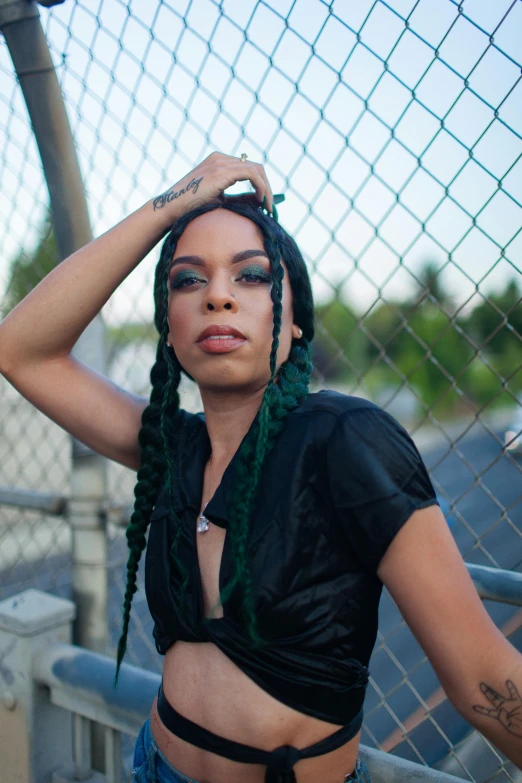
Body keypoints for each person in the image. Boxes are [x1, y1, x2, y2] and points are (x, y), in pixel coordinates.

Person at [1, 152, 521, 783]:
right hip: (154, 766)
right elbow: (21, 349)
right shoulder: (173, 448)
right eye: (188, 281)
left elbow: (482, 676)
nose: (217, 295)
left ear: (295, 320)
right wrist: (175, 199)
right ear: (169, 325)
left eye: (251, 276)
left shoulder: (346, 441)